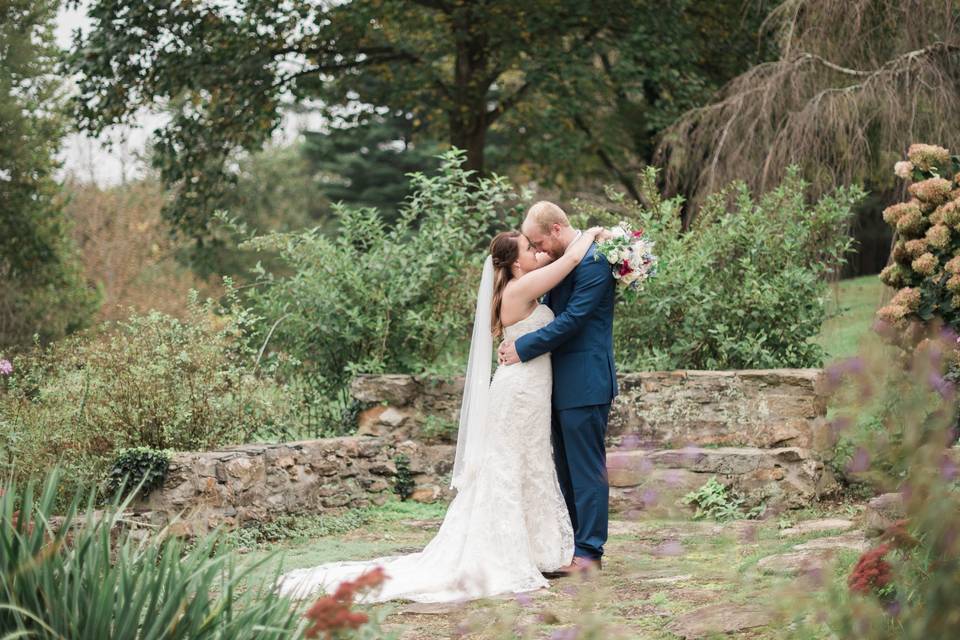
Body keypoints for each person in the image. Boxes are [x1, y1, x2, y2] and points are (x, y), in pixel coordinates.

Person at [274, 221, 608, 603]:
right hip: (518, 393)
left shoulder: (518, 288)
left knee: (528, 465)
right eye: (530, 250)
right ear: (515, 266)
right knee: (509, 467)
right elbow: (570, 261)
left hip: (528, 390)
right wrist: (593, 233)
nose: (538, 253)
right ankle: (503, 551)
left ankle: (535, 548)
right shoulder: (522, 287)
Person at [498, 201, 618, 573]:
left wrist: (522, 346)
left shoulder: (595, 261)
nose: (536, 251)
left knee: (586, 471)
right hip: (552, 386)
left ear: (554, 230)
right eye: (530, 247)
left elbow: (574, 320)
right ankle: (572, 547)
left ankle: (589, 553)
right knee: (565, 470)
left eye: (537, 242)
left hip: (585, 380)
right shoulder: (560, 260)